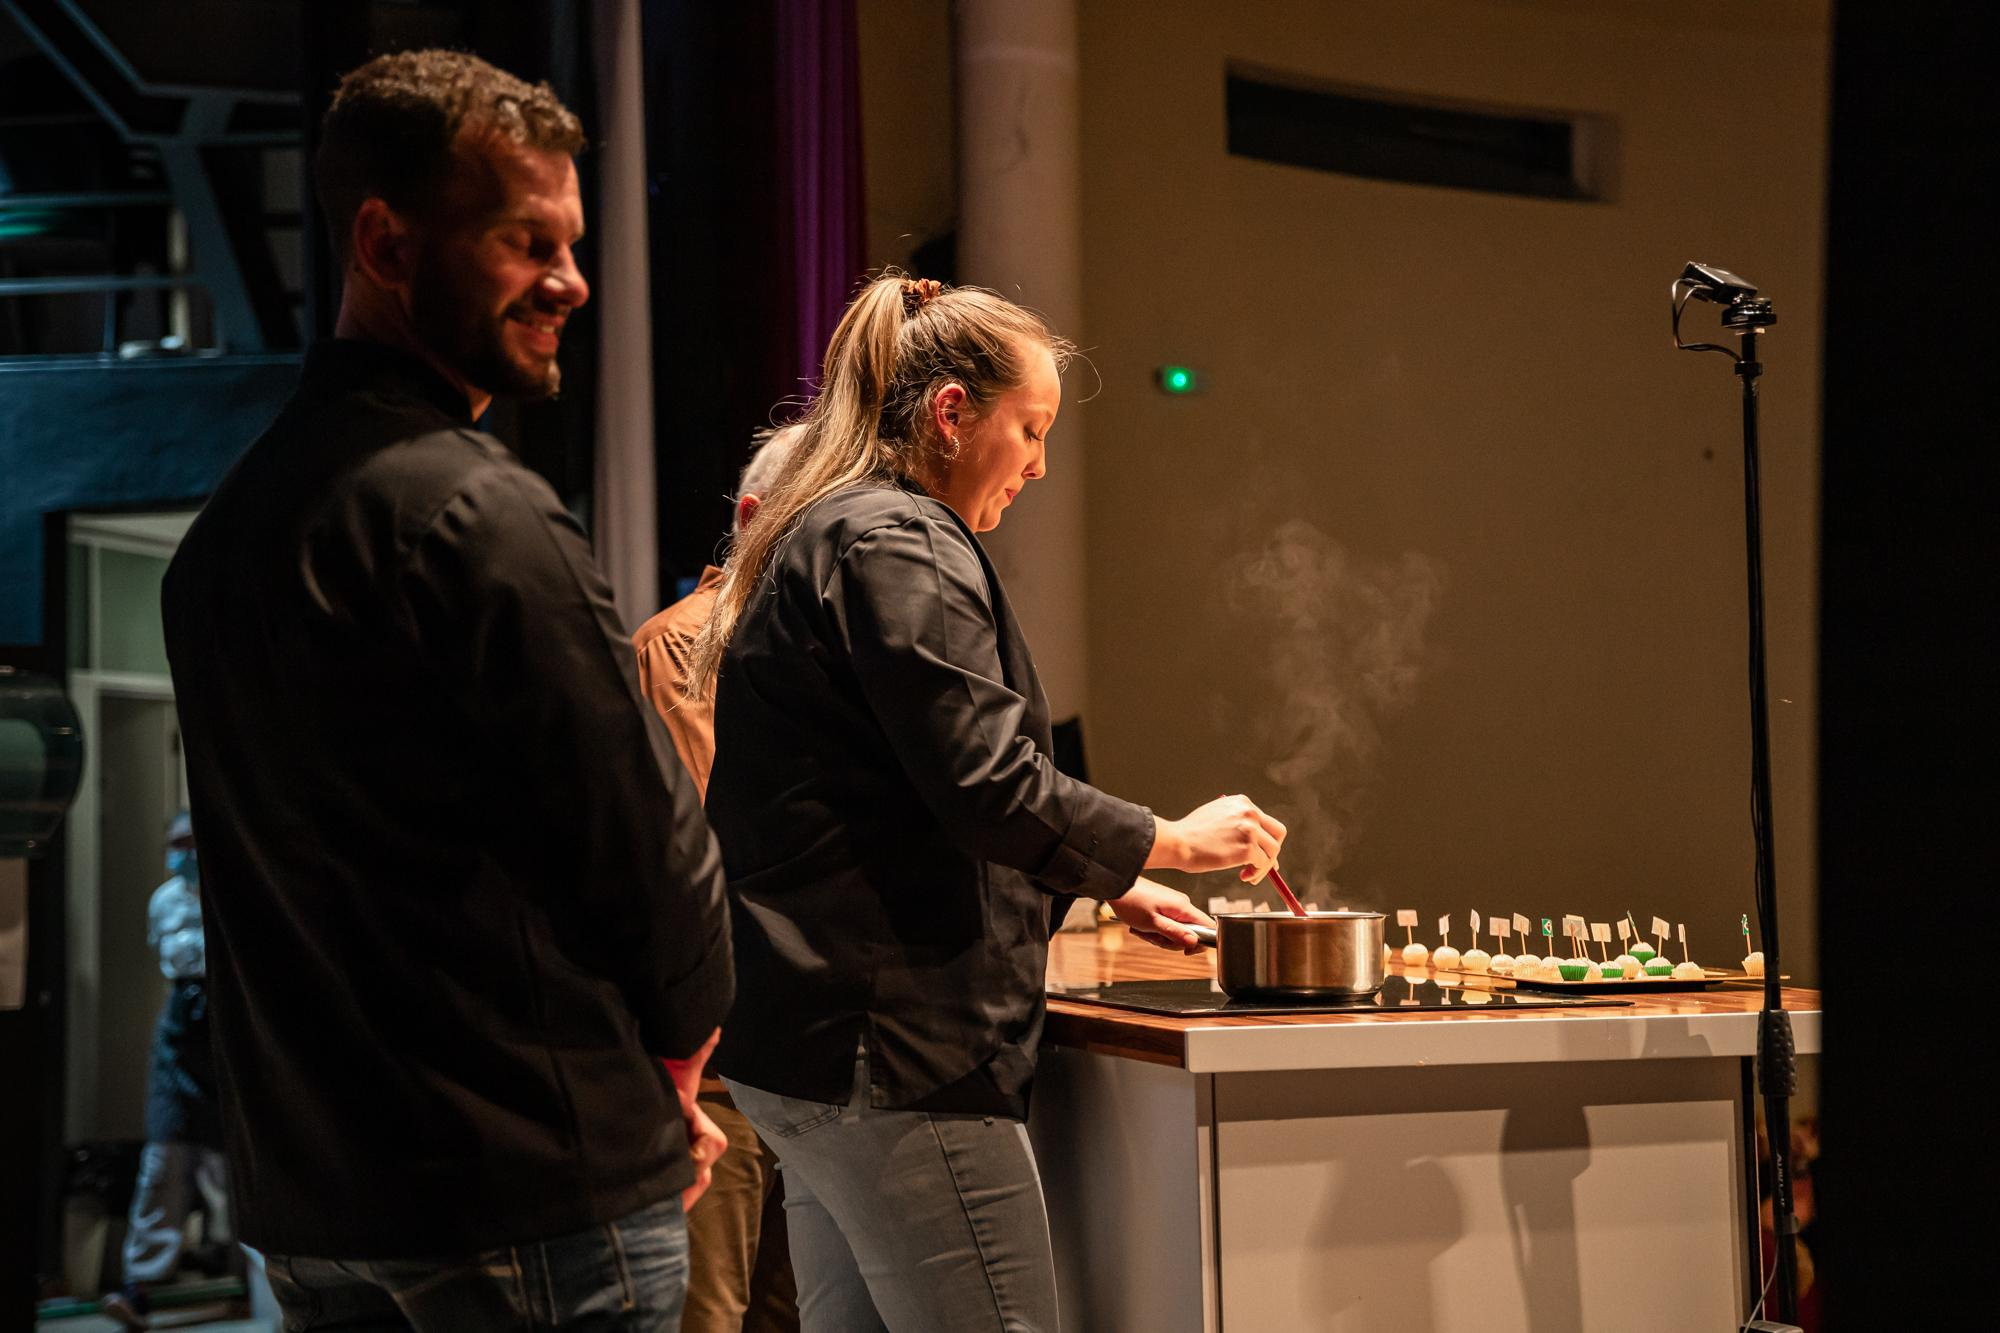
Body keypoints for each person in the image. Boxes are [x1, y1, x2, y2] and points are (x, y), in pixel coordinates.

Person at [160, 50, 731, 1331]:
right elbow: (647, 856)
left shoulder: (223, 542)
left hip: (317, 1207)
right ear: (385, 241)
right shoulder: (480, 514)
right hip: (520, 1193)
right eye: (525, 241)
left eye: (571, 242)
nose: (571, 280)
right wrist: (674, 1070)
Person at [692, 275, 1288, 1331]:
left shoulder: (825, 530)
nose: (1039, 463)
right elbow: (986, 781)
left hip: (809, 1045)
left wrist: (1114, 883)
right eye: (1029, 428)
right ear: (951, 412)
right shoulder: (898, 541)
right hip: (894, 1054)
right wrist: (1170, 838)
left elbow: (899, 797)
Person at [632, 426, 806, 1333]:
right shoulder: (682, 651)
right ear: (753, 521)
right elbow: (724, 859)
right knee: (714, 1318)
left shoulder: (812, 662)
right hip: (724, 1072)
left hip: (804, 1062)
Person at [100, 813, 230, 1332]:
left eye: (195, 844)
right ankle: (141, 1289)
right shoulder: (167, 899)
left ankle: (250, 1277)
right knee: (165, 1166)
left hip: (225, 1037)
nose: (187, 854)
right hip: (182, 1038)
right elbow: (180, 957)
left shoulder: (234, 888)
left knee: (231, 1171)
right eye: (179, 845)